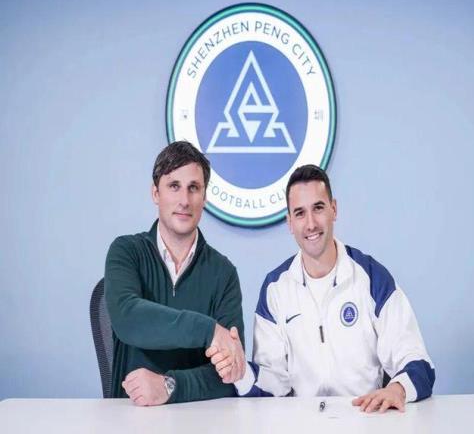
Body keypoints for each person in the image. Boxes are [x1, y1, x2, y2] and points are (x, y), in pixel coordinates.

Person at [207, 164, 435, 413]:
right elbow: (274, 383)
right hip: (301, 423)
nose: (311, 224)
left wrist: (397, 389)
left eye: (318, 208)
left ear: (333, 209)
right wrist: (241, 372)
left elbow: (418, 361)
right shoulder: (275, 289)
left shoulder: (372, 278)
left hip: (366, 419)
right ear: (289, 222)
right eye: (300, 213)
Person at [104, 141, 245, 406]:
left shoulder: (223, 273)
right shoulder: (126, 252)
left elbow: (230, 374)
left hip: (201, 419)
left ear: (204, 197)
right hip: (131, 416)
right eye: (174, 186)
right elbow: (128, 317)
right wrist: (209, 331)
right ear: (155, 193)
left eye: (194, 188)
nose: (184, 201)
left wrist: (170, 386)